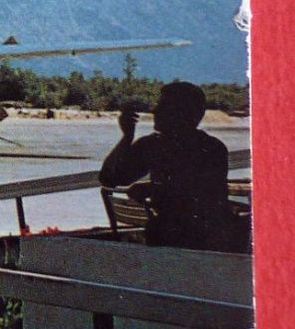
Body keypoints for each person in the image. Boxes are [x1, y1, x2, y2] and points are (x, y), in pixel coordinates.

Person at [99, 81, 235, 250]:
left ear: (182, 113)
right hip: (200, 237)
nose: (155, 111)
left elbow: (199, 198)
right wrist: (127, 137)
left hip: (181, 238)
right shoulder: (212, 147)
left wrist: (154, 188)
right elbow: (109, 179)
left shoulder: (208, 149)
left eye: (163, 106)